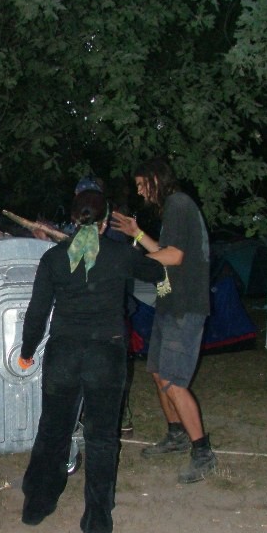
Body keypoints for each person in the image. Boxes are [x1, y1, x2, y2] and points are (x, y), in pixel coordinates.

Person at [18, 190, 164, 533]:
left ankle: (36, 505)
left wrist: (27, 351)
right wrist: (137, 240)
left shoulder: (54, 257)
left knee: (52, 431)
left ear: (73, 218)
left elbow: (37, 312)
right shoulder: (120, 255)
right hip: (106, 354)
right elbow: (158, 270)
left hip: (64, 353)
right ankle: (97, 524)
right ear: (105, 221)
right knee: (101, 438)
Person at [111, 157, 216, 484]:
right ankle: (176, 434)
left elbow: (174, 256)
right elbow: (165, 250)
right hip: (169, 303)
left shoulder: (178, 204)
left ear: (156, 179)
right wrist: (137, 234)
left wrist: (125, 261)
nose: (141, 192)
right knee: (158, 372)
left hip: (185, 307)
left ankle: (203, 452)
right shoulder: (173, 208)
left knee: (172, 380)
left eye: (142, 185)